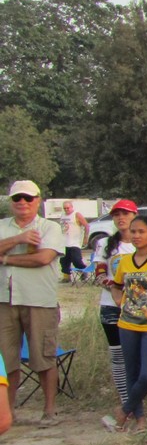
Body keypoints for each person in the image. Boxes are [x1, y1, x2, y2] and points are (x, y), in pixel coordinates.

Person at [94, 200, 147, 420]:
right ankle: (132, 408)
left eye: (126, 214)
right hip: (119, 314)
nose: (121, 218)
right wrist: (119, 296)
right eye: (116, 214)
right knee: (123, 361)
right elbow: (103, 274)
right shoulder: (108, 245)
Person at [0, 181, 66, 426]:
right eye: (17, 198)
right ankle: (7, 413)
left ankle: (49, 411)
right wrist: (19, 239)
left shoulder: (49, 227)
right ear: (11, 201)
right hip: (4, 299)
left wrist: (5, 258)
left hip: (39, 300)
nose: (23, 203)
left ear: (38, 200)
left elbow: (44, 257)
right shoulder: (2, 226)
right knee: (6, 359)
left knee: (43, 356)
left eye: (28, 198)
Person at [103, 215, 147, 433]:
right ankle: (140, 419)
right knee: (131, 372)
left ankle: (123, 411)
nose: (136, 236)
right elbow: (116, 285)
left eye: (141, 231)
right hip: (127, 325)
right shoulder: (124, 261)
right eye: (133, 231)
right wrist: (119, 301)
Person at [59, 200, 90, 282]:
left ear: (72, 207)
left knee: (76, 260)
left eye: (68, 208)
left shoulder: (76, 214)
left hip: (75, 242)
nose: (66, 210)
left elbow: (86, 226)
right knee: (64, 261)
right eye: (64, 208)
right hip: (64, 242)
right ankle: (66, 277)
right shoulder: (62, 215)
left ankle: (84, 271)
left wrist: (86, 237)